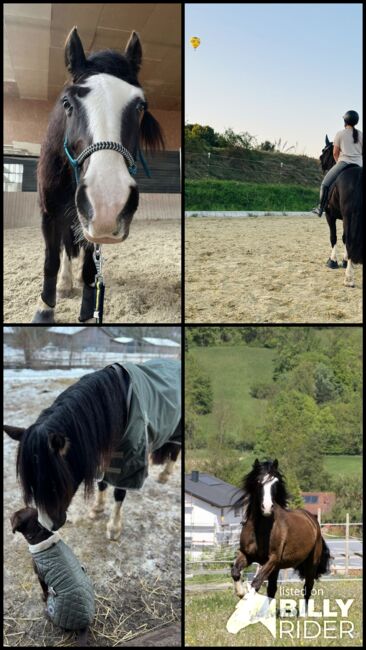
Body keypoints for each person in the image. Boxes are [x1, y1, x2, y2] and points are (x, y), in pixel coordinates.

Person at [312, 110, 363, 216]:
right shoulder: (361, 134)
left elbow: (335, 153)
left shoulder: (340, 134)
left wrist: (338, 163)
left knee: (325, 185)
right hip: (359, 164)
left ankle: (320, 208)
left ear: (345, 121)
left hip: (344, 163)